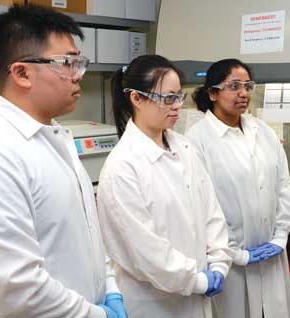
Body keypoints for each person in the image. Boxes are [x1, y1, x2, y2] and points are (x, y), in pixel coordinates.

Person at [0, 4, 127, 318]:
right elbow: (15, 288)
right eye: (67, 63)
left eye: (80, 63)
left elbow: (90, 237)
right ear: (21, 73)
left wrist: (111, 290)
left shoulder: (55, 137)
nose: (78, 76)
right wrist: (98, 315)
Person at [96, 55, 232, 318]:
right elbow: (147, 252)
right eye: (167, 98)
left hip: (197, 297)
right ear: (136, 98)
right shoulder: (123, 167)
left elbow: (212, 214)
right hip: (155, 304)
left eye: (179, 96)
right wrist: (197, 280)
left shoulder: (185, 147)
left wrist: (219, 264)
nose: (177, 106)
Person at [186, 59, 290, 318]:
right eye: (234, 86)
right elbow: (199, 206)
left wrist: (280, 236)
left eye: (247, 86)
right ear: (212, 93)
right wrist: (234, 253)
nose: (244, 93)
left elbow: (284, 186)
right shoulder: (196, 140)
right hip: (228, 264)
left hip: (272, 257)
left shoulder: (263, 132)